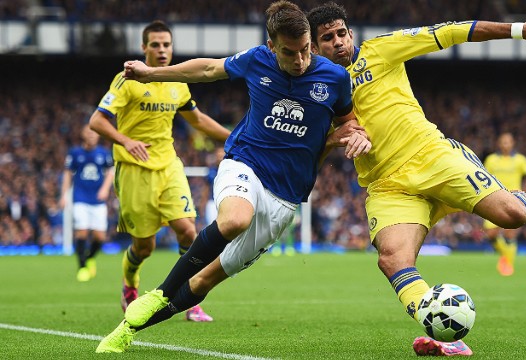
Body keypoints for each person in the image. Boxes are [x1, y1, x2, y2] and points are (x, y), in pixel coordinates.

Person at [95, 1, 371, 353]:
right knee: (234, 220)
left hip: (285, 197)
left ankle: (126, 330)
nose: (300, 60)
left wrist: (353, 133)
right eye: (289, 53)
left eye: (305, 50)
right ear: (272, 47)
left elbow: (348, 120)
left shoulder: (334, 78)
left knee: (204, 279)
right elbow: (209, 69)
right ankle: (159, 293)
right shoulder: (257, 59)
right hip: (245, 163)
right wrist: (150, 74)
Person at [306, 3, 526, 356]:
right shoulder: (311, 88)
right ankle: (446, 337)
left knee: (512, 217)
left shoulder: (383, 48)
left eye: (341, 33)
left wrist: (517, 30)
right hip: (387, 185)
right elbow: (310, 145)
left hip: (432, 158)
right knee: (392, 259)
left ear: (351, 33)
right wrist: (335, 138)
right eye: (327, 38)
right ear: (314, 48)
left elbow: (451, 31)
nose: (337, 42)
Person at [89, 20, 230, 322]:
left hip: (168, 165)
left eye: (166, 44)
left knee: (189, 232)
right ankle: (130, 284)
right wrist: (126, 141)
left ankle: (188, 298)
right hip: (134, 170)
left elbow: (199, 121)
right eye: (155, 44)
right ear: (144, 48)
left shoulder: (178, 83)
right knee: (144, 246)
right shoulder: (127, 81)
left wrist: (233, 137)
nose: (162, 50)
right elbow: (97, 121)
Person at [59, 124, 114, 282]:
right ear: (83, 134)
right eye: (88, 132)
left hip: (97, 200)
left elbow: (110, 172)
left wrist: (105, 189)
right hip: (80, 198)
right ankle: (82, 267)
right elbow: (68, 174)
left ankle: (89, 257)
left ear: (98, 135)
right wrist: (64, 195)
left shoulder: (103, 153)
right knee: (81, 232)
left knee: (100, 237)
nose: (91, 135)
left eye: (94, 132)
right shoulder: (75, 153)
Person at [483, 132, 526, 276]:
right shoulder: (491, 160)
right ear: (498, 143)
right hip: (494, 198)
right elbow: (483, 177)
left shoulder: (520, 160)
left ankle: (508, 265)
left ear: (513, 143)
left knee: (510, 233)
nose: (505, 145)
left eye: (508, 142)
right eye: (503, 142)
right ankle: (505, 256)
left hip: (514, 199)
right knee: (490, 233)